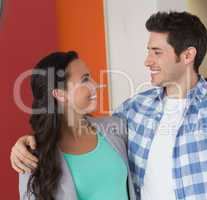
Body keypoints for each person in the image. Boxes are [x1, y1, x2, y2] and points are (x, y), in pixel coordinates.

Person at [11, 11, 207, 200]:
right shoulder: (136, 107)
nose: (148, 61)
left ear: (187, 56)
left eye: (157, 52)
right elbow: (81, 127)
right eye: (149, 51)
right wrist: (27, 143)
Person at [17, 51, 135, 200]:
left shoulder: (115, 128)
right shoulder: (32, 157)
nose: (95, 84)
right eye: (85, 80)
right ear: (60, 94)